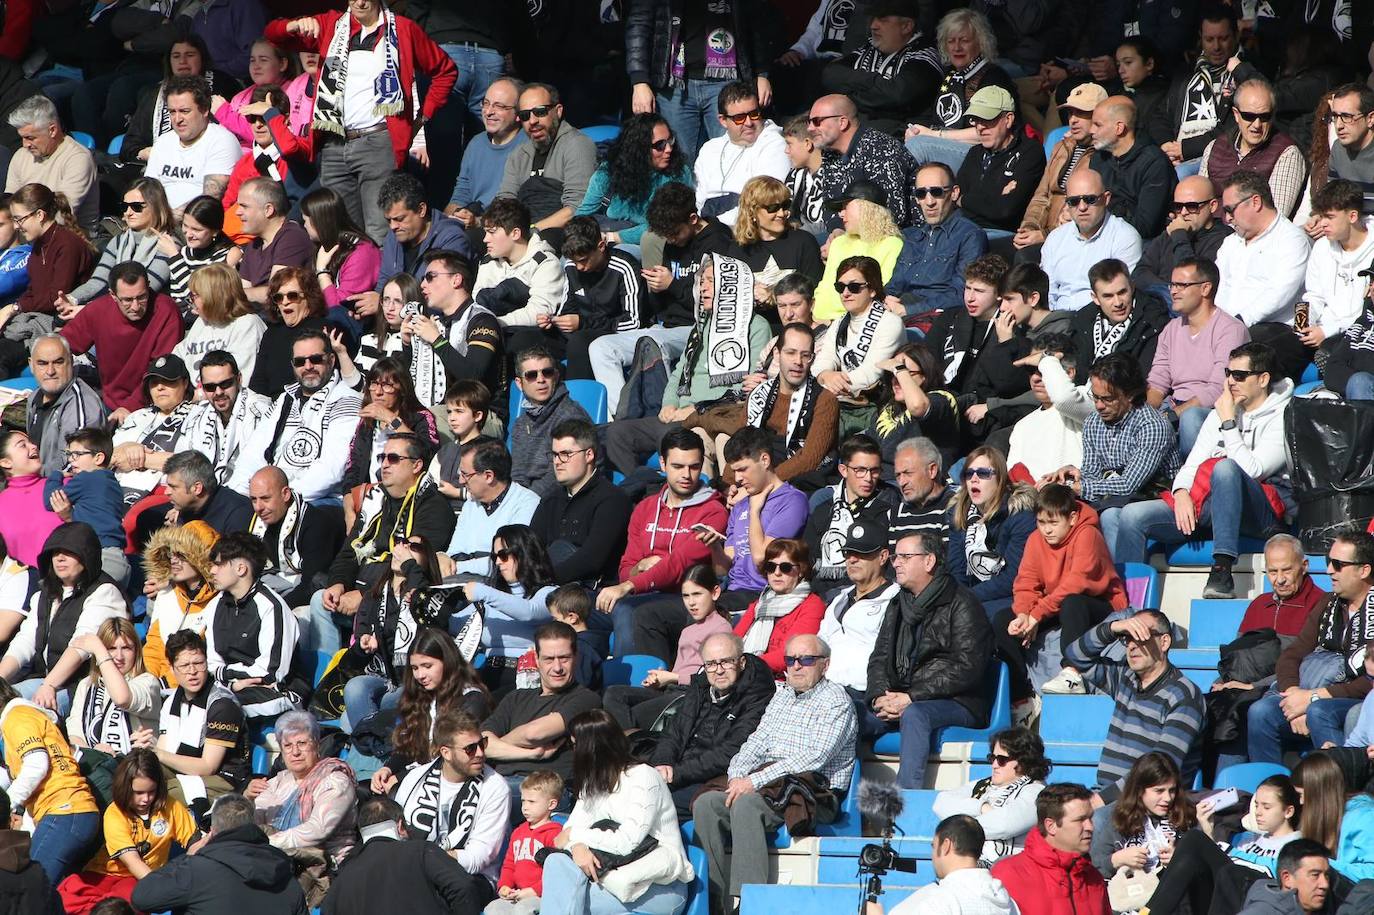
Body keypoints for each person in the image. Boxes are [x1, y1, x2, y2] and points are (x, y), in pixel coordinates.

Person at [1114, 343, 1296, 599]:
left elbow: (1254, 470)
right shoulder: (1222, 411)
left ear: (1263, 379)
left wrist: (1229, 422)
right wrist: (1181, 493)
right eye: (1228, 373)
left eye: (1240, 375)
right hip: (1212, 504)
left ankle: (1222, 570)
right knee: (1132, 516)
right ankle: (1124, 603)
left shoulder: (1283, 416)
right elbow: (1192, 464)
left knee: (1225, 468)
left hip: (1260, 513)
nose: (1231, 381)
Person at [265, 1, 457, 243]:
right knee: (343, 234)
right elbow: (273, 36)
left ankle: (382, 280)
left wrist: (423, 116)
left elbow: (445, 70)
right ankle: (351, 279)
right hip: (334, 145)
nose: (360, 2)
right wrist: (292, 25)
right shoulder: (331, 25)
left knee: (380, 233)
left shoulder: (404, 29)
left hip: (377, 142)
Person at [693, 633, 857, 913]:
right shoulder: (781, 697)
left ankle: (748, 902)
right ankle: (714, 901)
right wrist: (736, 776)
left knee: (746, 803)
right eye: (790, 659)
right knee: (707, 804)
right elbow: (755, 742)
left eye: (806, 659)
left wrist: (752, 781)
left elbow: (814, 758)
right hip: (768, 783)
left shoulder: (836, 702)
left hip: (814, 790)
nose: (796, 666)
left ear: (825, 665)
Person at [603, 253, 770, 476]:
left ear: (731, 285)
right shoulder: (700, 326)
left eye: (711, 281)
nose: (703, 288)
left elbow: (748, 387)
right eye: (702, 281)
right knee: (616, 433)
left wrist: (696, 409)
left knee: (673, 439)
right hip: (679, 414)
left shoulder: (756, 326)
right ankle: (642, 489)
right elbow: (679, 373)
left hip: (712, 415)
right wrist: (669, 404)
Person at [866, 530, 994, 788]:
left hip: (957, 701)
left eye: (905, 556)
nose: (896, 563)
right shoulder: (897, 603)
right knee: (850, 713)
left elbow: (968, 667)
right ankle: (837, 800)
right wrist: (879, 696)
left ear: (929, 561)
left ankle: (905, 804)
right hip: (900, 697)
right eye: (895, 557)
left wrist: (913, 696)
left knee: (915, 715)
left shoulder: (962, 603)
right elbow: (879, 657)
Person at [538, 709, 694, 915]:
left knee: (565, 899)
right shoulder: (591, 783)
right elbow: (562, 837)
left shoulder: (643, 778)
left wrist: (576, 836)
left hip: (656, 887)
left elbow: (626, 842)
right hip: (608, 878)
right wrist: (578, 847)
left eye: (574, 746)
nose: (572, 752)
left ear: (591, 748)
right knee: (556, 863)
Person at [312, 431, 453, 655]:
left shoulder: (433, 507)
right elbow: (349, 551)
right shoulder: (375, 499)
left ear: (417, 465)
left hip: (394, 600)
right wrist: (338, 583)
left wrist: (367, 597)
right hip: (360, 587)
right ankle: (332, 677)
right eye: (382, 457)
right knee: (321, 600)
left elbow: (415, 565)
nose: (385, 464)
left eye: (394, 458)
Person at [999, 484, 1128, 717]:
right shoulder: (1035, 540)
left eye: (1053, 523)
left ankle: (1072, 672)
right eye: (1041, 522)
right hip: (1056, 604)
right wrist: (1023, 615)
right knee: (1002, 620)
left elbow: (1077, 583)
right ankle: (1023, 697)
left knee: (1073, 602)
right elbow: (1026, 582)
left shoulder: (1088, 534)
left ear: (1072, 517)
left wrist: (1037, 615)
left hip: (1099, 604)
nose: (1046, 530)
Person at [1246, 530, 1374, 765]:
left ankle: (1341, 787)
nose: (1329, 570)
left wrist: (1312, 699)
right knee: (1261, 712)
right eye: (1328, 562)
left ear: (1364, 570)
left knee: (1320, 712)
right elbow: (1291, 655)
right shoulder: (1328, 603)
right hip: (1311, 692)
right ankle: (1272, 793)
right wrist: (1294, 696)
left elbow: (1370, 680)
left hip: (1358, 698)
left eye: (1338, 564)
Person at [1061, 609, 1205, 805]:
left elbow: (1160, 769)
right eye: (1127, 638)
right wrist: (1113, 628)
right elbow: (1075, 655)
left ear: (1164, 642)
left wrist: (1101, 800)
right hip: (1108, 795)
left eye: (1140, 636)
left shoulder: (1184, 695)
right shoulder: (1124, 677)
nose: (1131, 646)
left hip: (1145, 802)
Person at [1047, 352, 1181, 551]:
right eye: (1095, 397)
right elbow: (1092, 474)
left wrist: (1078, 488)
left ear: (1130, 395)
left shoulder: (1152, 426)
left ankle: (1120, 579)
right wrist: (1071, 481)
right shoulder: (1094, 422)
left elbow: (1129, 485)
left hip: (1161, 503)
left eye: (1108, 399)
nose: (1099, 406)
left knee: (1112, 514)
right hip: (1118, 501)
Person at [0, 521, 126, 718]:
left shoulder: (105, 593)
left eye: (69, 552)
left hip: (83, 686)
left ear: (86, 556)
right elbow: (25, 642)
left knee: (18, 710)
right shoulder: (45, 594)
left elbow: (80, 647)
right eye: (55, 552)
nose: (59, 558)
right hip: (43, 679)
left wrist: (49, 684)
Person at [623, 0, 777, 161]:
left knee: (737, 153)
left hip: (726, 80)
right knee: (677, 160)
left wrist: (762, 73)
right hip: (674, 84)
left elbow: (756, 21)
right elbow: (638, 25)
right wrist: (639, 81)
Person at [55, 749, 200, 915]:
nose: (146, 799)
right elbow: (132, 862)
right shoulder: (115, 813)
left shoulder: (171, 807)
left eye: (151, 791)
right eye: (138, 793)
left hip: (140, 879)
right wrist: (163, 888)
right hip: (104, 873)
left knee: (129, 903)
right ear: (124, 787)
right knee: (66, 897)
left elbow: (196, 843)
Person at [229, 329, 363, 503]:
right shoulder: (285, 399)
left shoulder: (346, 399)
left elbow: (331, 472)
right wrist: (239, 495)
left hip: (320, 500)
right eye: (300, 362)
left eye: (315, 359)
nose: (308, 367)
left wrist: (283, 498)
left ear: (331, 360)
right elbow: (253, 453)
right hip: (271, 497)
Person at [392, 709, 508, 907]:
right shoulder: (415, 779)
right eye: (470, 748)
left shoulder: (495, 787)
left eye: (482, 744)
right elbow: (396, 834)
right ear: (446, 752)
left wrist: (427, 859)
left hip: (471, 879)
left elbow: (478, 857)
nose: (480, 753)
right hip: (416, 869)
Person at [1144, 774, 1303, 915]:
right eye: (1256, 805)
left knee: (1195, 839)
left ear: (1288, 811)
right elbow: (1220, 869)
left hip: (1256, 902)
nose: (1258, 812)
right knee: (1191, 858)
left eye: (1266, 807)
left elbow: (1277, 884)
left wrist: (1220, 850)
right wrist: (1208, 832)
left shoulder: (1297, 846)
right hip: (1222, 899)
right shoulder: (1244, 839)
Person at [130, 793, 307, 915]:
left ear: (213, 832)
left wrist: (187, 858)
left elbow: (141, 897)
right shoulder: (286, 876)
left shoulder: (196, 870)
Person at [0, 674, 100, 885]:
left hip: (64, 812)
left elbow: (37, 765)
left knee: (32, 891)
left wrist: (5, 804)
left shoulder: (16, 717)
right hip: (72, 813)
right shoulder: (25, 716)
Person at [1147, 257, 1251, 458]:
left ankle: (1190, 479)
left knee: (1191, 417)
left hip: (1213, 413)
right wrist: (1142, 414)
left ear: (1205, 289)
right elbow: (1158, 382)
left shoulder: (1230, 330)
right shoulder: (1170, 330)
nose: (1173, 291)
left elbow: (1218, 390)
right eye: (1172, 284)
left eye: (1182, 285)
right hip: (1174, 406)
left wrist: (1172, 416)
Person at [366, 628, 492, 793]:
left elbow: (451, 758)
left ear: (447, 662)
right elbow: (411, 745)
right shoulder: (423, 696)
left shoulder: (471, 699)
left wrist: (402, 777)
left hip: (453, 781)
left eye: (427, 666)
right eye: (415, 668)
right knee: (365, 792)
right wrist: (388, 769)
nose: (419, 675)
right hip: (420, 773)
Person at [481, 621, 602, 792]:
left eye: (564, 658)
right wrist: (531, 753)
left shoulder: (586, 700)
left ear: (577, 657)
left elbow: (533, 734)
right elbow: (482, 744)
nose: (557, 667)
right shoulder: (516, 698)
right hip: (500, 783)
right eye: (549, 659)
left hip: (545, 790)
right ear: (536, 660)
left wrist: (498, 745)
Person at [60, 261, 184, 418]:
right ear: (112, 295)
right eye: (127, 300)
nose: (135, 307)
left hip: (155, 405)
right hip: (110, 403)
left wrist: (129, 407)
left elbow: (162, 372)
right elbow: (61, 345)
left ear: (149, 287)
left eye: (142, 297)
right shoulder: (98, 310)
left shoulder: (166, 311)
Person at [901, 8, 1017, 173]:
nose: (957, 47)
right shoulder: (951, 74)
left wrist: (934, 135)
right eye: (951, 41)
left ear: (980, 42)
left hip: (982, 155)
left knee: (918, 146)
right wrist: (916, 130)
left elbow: (989, 132)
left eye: (964, 40)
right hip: (944, 144)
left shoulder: (993, 77)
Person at [322, 795, 478, 915]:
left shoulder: (343, 876)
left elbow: (327, 910)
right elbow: (462, 887)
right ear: (400, 826)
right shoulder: (421, 851)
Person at [203, 532, 300, 720]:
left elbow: (270, 672)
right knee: (182, 702)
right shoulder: (216, 604)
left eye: (219, 564)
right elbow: (211, 662)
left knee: (219, 709)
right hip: (230, 687)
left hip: (278, 693)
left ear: (241, 568)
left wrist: (225, 676)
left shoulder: (272, 607)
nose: (212, 571)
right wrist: (231, 683)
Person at [731, 322, 837, 484]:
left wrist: (763, 483)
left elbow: (809, 459)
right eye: (790, 353)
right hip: (754, 479)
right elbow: (737, 447)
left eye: (805, 355)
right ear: (777, 354)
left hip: (796, 484)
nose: (798, 361)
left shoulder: (825, 400)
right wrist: (731, 484)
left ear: (812, 359)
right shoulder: (759, 394)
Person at [154, 630, 250, 808]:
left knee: (162, 793)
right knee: (136, 775)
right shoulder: (171, 701)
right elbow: (163, 749)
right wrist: (146, 752)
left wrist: (157, 754)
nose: (192, 672)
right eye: (184, 666)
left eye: (198, 663)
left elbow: (208, 767)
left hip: (225, 780)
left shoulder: (222, 705)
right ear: (171, 667)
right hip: (185, 770)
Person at [530, 419, 631, 588]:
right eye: (554, 454)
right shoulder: (550, 500)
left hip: (592, 594)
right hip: (550, 589)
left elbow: (592, 560)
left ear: (589, 455)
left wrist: (544, 580)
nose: (557, 461)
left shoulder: (613, 499)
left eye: (566, 454)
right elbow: (530, 547)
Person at [819, 0, 940, 139]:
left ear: (906, 26)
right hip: (857, 133)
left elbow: (896, 95)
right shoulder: (868, 49)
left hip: (898, 140)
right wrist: (876, 83)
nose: (873, 26)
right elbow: (830, 74)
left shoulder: (926, 55)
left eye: (883, 19)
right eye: (873, 19)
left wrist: (850, 95)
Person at [458, 526, 557, 697]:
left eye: (503, 555)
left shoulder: (550, 593)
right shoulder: (493, 599)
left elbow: (529, 612)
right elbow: (455, 624)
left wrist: (484, 592)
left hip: (525, 675)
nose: (497, 562)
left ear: (524, 553)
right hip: (486, 671)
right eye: (495, 557)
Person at [813, 255, 905, 435]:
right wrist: (826, 375)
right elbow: (822, 361)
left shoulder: (890, 323)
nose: (845, 293)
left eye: (854, 287)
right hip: (840, 399)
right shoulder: (840, 323)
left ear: (872, 289)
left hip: (875, 407)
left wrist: (832, 382)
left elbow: (871, 374)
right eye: (840, 287)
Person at [932, 727, 1050, 865]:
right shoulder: (982, 784)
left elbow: (1005, 824)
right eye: (992, 758)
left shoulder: (1036, 791)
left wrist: (957, 827)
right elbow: (940, 804)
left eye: (1001, 759)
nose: (994, 765)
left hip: (1008, 873)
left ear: (1024, 761)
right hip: (971, 867)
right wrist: (981, 807)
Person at [1013, 83, 1106, 256]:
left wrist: (1046, 235)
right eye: (1071, 113)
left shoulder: (1104, 157)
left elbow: (1087, 209)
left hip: (1074, 239)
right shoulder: (1061, 147)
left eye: (1081, 113)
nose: (1073, 120)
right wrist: (1029, 228)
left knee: (1024, 258)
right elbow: (1041, 196)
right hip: (1044, 233)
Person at [885, 161, 989, 316]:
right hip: (899, 310)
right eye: (921, 194)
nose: (929, 202)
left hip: (937, 317)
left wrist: (908, 310)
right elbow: (894, 285)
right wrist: (884, 300)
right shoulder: (912, 236)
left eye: (936, 192)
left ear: (954, 193)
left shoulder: (970, 235)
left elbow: (961, 294)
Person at [493, 83, 597, 236]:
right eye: (525, 116)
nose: (532, 121)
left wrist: (531, 231)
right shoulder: (519, 154)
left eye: (540, 112)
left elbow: (577, 207)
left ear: (558, 111)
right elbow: (505, 203)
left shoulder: (577, 144)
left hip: (561, 233)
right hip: (518, 232)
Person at [575, 112, 691, 249]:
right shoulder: (609, 172)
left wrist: (616, 237)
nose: (669, 149)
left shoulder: (678, 173)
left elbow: (669, 223)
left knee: (622, 253)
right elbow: (581, 216)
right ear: (640, 148)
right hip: (601, 239)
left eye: (670, 141)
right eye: (660, 145)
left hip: (649, 244)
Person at [990, 783, 1109, 915]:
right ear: (1051, 826)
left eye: (1090, 818)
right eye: (1080, 820)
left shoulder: (1094, 878)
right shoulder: (1007, 874)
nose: (1090, 827)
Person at [553, 217, 650, 379]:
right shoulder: (572, 267)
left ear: (601, 246)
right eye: (574, 261)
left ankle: (579, 401)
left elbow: (635, 322)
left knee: (579, 342)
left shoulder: (624, 267)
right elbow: (566, 308)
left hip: (615, 334)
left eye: (583, 260)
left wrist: (583, 323)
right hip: (580, 332)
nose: (579, 267)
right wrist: (553, 322)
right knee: (525, 338)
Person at [408, 248, 504, 410]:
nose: (423, 284)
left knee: (422, 423)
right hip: (443, 412)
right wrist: (407, 345)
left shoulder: (482, 320)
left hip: (481, 415)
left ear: (456, 280)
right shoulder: (437, 324)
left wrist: (436, 340)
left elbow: (473, 376)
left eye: (430, 277)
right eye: (423, 278)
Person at [1089, 752, 1197, 894]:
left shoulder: (1183, 814)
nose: (1168, 798)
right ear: (1139, 790)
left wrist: (1181, 861)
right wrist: (1116, 860)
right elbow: (1091, 874)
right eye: (1159, 791)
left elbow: (1203, 870)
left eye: (1172, 790)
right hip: (1125, 901)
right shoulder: (1112, 818)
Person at [1215, 170, 1313, 327]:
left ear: (1255, 202)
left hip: (1276, 327)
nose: (1227, 218)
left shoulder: (1292, 240)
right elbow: (1218, 285)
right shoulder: (1230, 243)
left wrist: (1239, 322)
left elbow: (1280, 293)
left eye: (1230, 210)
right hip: (1228, 326)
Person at [808, 93, 920, 228]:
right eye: (809, 122)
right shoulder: (830, 154)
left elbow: (893, 214)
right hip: (851, 232)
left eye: (816, 121)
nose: (810, 128)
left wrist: (847, 238)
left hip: (900, 237)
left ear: (842, 122)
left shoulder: (880, 149)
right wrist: (837, 231)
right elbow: (831, 205)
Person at [948, 446, 1036, 616]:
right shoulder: (960, 515)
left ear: (1000, 479)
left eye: (983, 473)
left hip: (1010, 596)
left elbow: (1012, 577)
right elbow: (957, 570)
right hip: (971, 596)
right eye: (969, 473)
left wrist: (965, 599)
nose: (974, 479)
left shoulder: (1020, 516)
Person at [1201, 79, 1307, 220]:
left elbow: (1273, 219)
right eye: (1249, 116)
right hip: (1209, 235)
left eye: (1264, 117)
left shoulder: (1287, 153)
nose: (1257, 125)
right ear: (1236, 115)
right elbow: (1199, 202)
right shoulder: (1215, 147)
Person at [1149, 8, 1242, 171]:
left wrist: (1186, 149)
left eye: (1223, 38)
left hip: (1220, 158)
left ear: (1236, 36)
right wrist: (1168, 146)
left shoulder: (1245, 73)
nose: (1216, 46)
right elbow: (1160, 115)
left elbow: (1235, 127)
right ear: (1200, 38)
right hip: (1176, 155)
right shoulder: (1187, 73)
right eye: (1209, 39)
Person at [815, 521, 899, 697]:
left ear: (883, 557)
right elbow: (821, 643)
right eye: (848, 553)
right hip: (823, 689)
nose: (852, 559)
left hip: (862, 693)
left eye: (862, 553)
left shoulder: (896, 600)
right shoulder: (839, 598)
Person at [1040, 169, 1143, 311]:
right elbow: (1048, 291)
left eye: (1090, 199)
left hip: (1098, 320)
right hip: (1056, 320)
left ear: (1106, 198)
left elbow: (1120, 295)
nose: (1082, 207)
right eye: (1074, 201)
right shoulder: (1055, 238)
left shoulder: (1125, 237)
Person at [690, 81, 788, 229]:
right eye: (740, 118)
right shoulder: (709, 149)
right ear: (723, 120)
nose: (749, 122)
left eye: (754, 114)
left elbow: (765, 201)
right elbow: (699, 199)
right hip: (707, 225)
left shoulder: (774, 144)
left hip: (747, 227)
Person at [804, 435, 898, 586]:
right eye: (860, 470)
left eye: (874, 471)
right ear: (843, 470)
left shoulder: (889, 507)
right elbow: (807, 559)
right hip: (820, 592)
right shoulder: (824, 509)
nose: (868, 478)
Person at [65, 179, 173, 308]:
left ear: (155, 207)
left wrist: (88, 310)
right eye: (124, 206)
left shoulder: (168, 244)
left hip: (147, 312)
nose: (128, 212)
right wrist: (71, 299)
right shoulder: (119, 241)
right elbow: (98, 281)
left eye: (136, 207)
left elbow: (142, 291)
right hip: (115, 306)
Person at [953, 86, 1045, 237]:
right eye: (975, 120)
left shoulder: (1030, 152)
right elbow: (955, 200)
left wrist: (964, 200)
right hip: (964, 228)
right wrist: (991, 200)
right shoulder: (975, 152)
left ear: (1008, 119)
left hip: (1001, 234)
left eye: (987, 119)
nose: (980, 127)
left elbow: (1004, 210)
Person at [883, 814, 1020, 915]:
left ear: (946, 846)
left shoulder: (941, 900)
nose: (932, 855)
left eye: (934, 846)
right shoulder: (1007, 901)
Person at [107, 355, 197, 507]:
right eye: (154, 383)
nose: (160, 387)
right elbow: (105, 458)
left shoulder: (200, 415)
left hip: (167, 495)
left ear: (185, 383)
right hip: (113, 489)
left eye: (168, 381)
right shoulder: (137, 416)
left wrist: (137, 457)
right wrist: (126, 447)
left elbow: (196, 465)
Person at [143, 76, 242, 212]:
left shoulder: (222, 141)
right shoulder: (163, 142)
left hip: (196, 226)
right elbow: (148, 192)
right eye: (172, 112)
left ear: (205, 110)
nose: (177, 119)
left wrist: (167, 220)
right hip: (157, 222)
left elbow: (209, 200)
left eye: (184, 111)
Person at [140, 519, 220, 687]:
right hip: (156, 687)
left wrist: (163, 685)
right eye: (172, 554)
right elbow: (153, 648)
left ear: (201, 558)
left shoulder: (219, 602)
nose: (174, 561)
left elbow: (201, 661)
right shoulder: (166, 593)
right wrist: (145, 682)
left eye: (182, 555)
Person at [340, 357, 439, 491]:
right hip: (370, 497)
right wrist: (348, 496)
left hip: (408, 495)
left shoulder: (421, 417)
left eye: (387, 385)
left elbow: (428, 454)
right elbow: (354, 465)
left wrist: (390, 418)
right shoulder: (367, 422)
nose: (378, 392)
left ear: (402, 389)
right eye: (374, 384)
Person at [63, 618, 159, 756]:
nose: (119, 656)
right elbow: (74, 736)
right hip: (97, 768)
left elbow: (122, 698)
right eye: (111, 648)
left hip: (136, 767)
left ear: (136, 651)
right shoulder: (87, 685)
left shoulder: (148, 682)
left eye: (126, 648)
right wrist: (95, 753)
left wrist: (100, 651)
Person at [445, 439, 540, 578]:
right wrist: (444, 559)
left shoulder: (526, 503)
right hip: (463, 583)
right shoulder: (471, 504)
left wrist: (456, 566)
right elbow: (453, 552)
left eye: (465, 474)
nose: (460, 481)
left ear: (488, 476)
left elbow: (508, 562)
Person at [812, 181, 905, 321]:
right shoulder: (838, 243)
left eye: (845, 206)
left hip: (853, 323)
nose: (841, 214)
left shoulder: (892, 245)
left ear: (866, 208)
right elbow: (824, 288)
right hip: (816, 321)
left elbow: (879, 294)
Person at [1131, 175, 1233, 301]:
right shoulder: (1170, 233)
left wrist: (1180, 237)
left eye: (1192, 206)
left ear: (1212, 206)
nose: (1184, 212)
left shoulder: (1225, 240)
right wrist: (1167, 291)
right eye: (1178, 207)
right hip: (1158, 308)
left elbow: (1193, 280)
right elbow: (1139, 273)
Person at [733, 538, 825, 678]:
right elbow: (733, 642)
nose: (777, 573)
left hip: (778, 681)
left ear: (801, 570)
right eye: (771, 567)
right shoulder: (759, 604)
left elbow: (789, 654)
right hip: (745, 674)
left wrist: (745, 664)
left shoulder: (812, 605)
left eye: (785, 567)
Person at [4, 95, 97, 232]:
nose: (25, 145)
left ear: (52, 130)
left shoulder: (78, 158)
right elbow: (9, 203)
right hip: (26, 234)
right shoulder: (21, 156)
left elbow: (61, 216)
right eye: (22, 138)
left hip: (71, 238)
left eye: (30, 138)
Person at [1089, 95, 1176, 240]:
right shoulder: (1099, 159)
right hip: (1098, 237)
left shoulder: (1154, 164)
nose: (1091, 130)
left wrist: (1098, 216)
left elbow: (1145, 227)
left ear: (1119, 128)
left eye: (1098, 125)